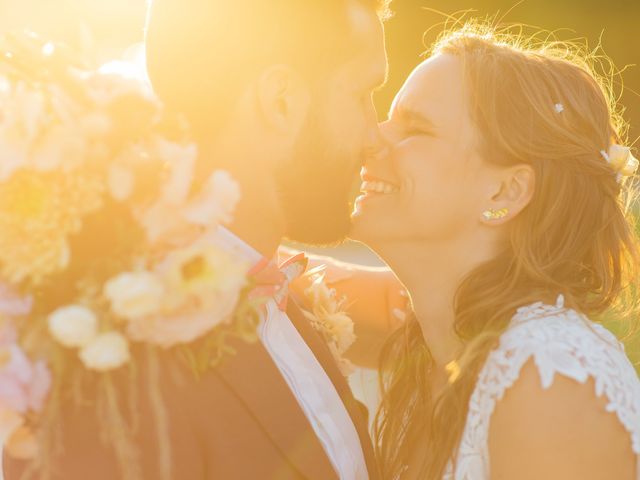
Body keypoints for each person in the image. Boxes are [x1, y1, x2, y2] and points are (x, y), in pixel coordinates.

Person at [3, 1, 391, 479]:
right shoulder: (113, 366)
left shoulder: (293, 306)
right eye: (361, 95)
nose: (375, 137)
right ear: (281, 101)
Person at [293, 21, 640, 480]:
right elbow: (260, 269)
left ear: (504, 192)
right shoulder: (440, 335)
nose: (371, 139)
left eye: (416, 128)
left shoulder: (549, 378)